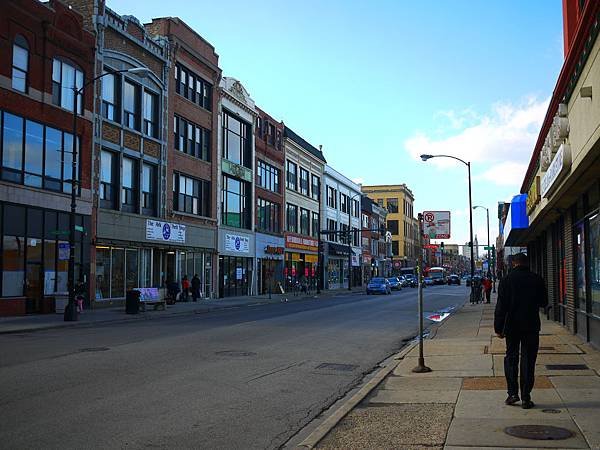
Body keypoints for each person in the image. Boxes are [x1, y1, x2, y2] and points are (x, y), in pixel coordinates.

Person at [494, 253, 548, 409]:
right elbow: (544, 302)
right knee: (528, 360)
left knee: (511, 358)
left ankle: (512, 394)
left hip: (511, 326)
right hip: (531, 325)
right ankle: (526, 397)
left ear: (514, 264)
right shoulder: (537, 279)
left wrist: (498, 327)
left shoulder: (506, 280)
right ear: (527, 263)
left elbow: (501, 307)